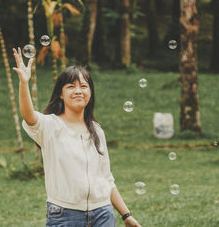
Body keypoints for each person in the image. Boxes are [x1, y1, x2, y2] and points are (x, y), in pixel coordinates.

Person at [12, 47, 141, 227]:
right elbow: (28, 115)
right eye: (71, 86)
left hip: (103, 213)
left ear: (90, 92)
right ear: (61, 94)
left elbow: (106, 178)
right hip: (65, 215)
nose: (78, 91)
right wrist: (24, 83)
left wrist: (126, 215)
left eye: (83, 86)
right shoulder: (50, 125)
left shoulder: (96, 130)